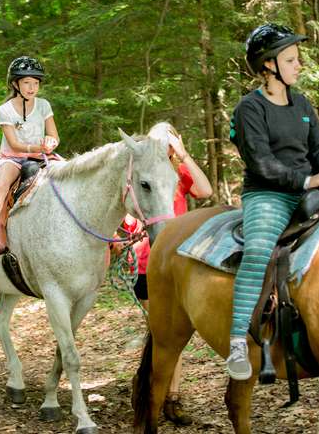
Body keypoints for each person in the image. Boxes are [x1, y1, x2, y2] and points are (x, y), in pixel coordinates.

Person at [226, 23, 319, 381]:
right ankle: (237, 341)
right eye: (291, 59)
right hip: (268, 193)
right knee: (259, 249)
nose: (299, 66)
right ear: (268, 65)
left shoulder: (303, 103)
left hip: (310, 187)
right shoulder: (249, 108)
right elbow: (261, 163)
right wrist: (308, 179)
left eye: (298, 59)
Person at [117, 126, 212, 425]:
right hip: (149, 264)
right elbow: (129, 218)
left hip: (179, 264)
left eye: (169, 141)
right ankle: (155, 390)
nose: (165, 147)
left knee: (173, 335)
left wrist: (184, 155)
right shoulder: (144, 175)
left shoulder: (178, 174)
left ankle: (170, 396)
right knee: (162, 336)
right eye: (161, 141)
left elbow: (205, 191)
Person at [0, 56, 59, 255]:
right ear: (16, 84)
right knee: (1, 186)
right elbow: (15, 143)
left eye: (36, 83)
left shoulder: (43, 105)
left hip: (41, 157)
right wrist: (38, 148)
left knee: (69, 174)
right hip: (13, 158)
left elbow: (53, 135)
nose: (32, 87)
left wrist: (51, 142)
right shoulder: (5, 110)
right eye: (27, 82)